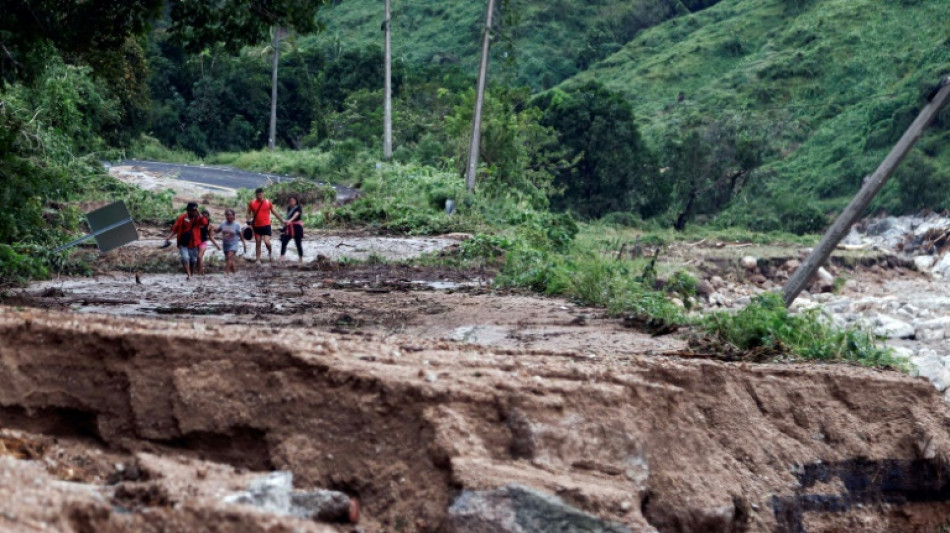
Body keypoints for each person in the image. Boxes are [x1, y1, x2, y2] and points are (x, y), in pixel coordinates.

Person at [164, 202, 207, 280]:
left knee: (193, 260)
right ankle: (189, 275)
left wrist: (199, 214)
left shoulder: (198, 218)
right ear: (188, 210)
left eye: (194, 210)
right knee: (185, 258)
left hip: (194, 243)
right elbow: (175, 228)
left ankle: (191, 274)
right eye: (191, 210)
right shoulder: (182, 218)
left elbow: (204, 223)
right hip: (183, 242)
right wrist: (169, 237)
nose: (193, 212)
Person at [245, 187, 283, 263]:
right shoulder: (252, 203)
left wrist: (282, 220)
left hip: (266, 225)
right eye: (258, 194)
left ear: (263, 194)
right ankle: (258, 259)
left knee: (267, 242)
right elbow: (248, 212)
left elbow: (274, 212)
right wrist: (248, 221)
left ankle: (270, 252)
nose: (260, 196)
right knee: (258, 242)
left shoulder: (268, 202)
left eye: (261, 194)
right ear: (255, 195)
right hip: (256, 226)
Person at [215, 208, 246, 274]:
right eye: (227, 215)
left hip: (233, 245)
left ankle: (226, 274)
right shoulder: (223, 223)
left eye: (230, 215)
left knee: (229, 257)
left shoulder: (237, 225)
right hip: (225, 244)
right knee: (230, 260)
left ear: (233, 216)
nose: (229, 216)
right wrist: (212, 228)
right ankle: (234, 274)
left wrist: (244, 244)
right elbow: (217, 231)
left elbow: (241, 235)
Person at [280, 195, 305, 263]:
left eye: (293, 201)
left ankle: (300, 258)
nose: (291, 202)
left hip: (297, 227)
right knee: (284, 241)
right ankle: (282, 257)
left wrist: (290, 220)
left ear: (296, 201)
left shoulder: (298, 207)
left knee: (298, 243)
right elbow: (288, 216)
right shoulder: (289, 208)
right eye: (290, 201)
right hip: (289, 227)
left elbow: (296, 215)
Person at [196, 209, 220, 275]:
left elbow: (211, 237)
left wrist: (217, 245)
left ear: (208, 217)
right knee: (197, 258)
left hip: (203, 242)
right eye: (203, 217)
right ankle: (201, 270)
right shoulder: (196, 223)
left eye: (206, 217)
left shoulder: (210, 226)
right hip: (194, 242)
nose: (205, 218)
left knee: (199, 257)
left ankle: (199, 273)